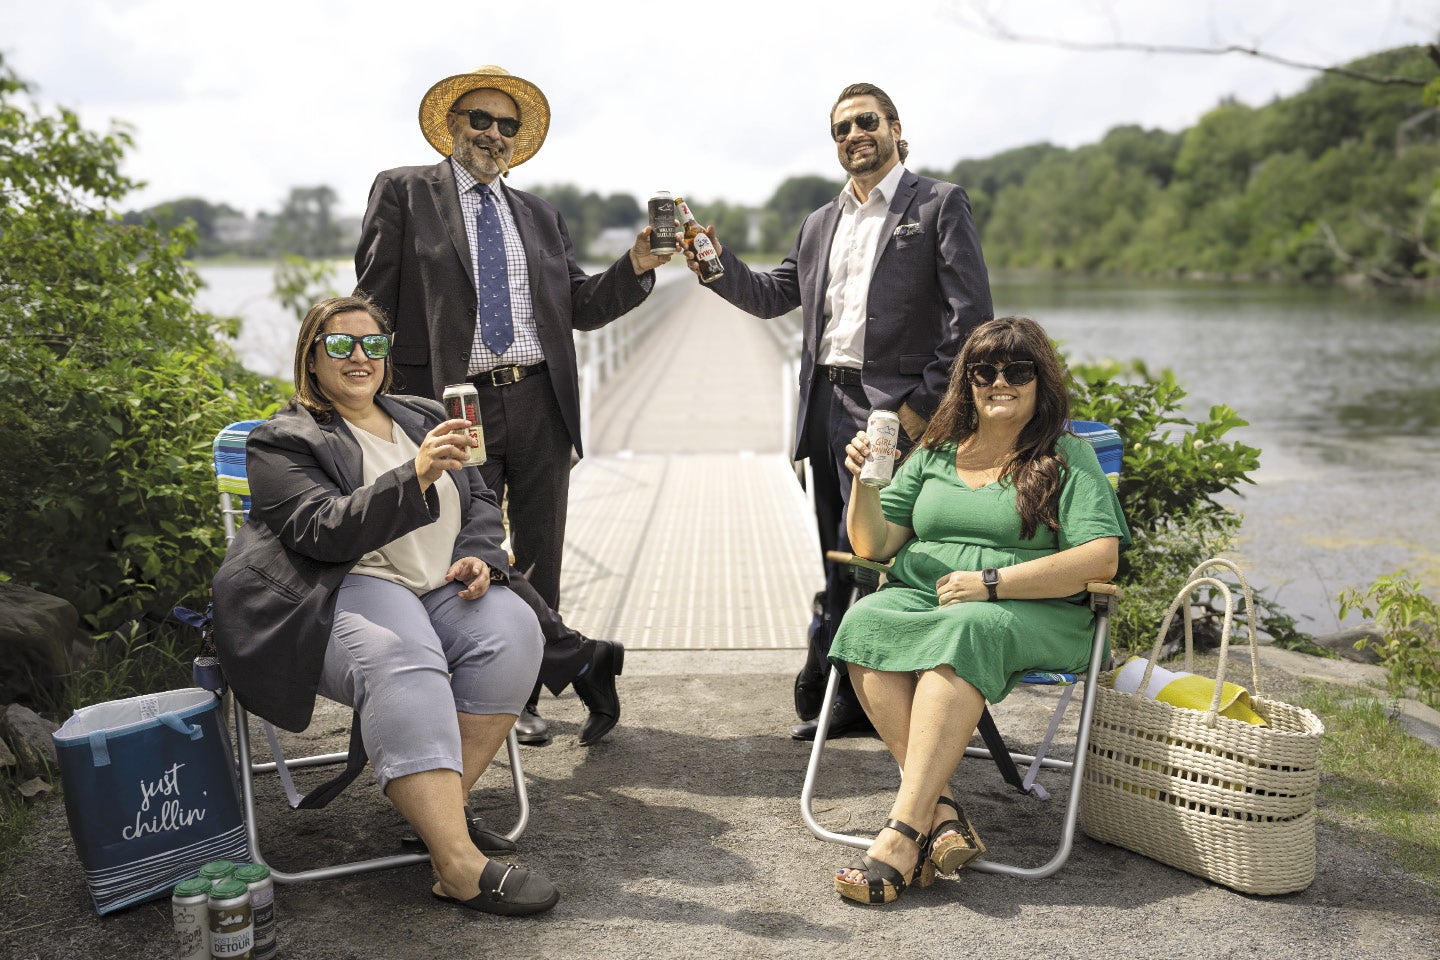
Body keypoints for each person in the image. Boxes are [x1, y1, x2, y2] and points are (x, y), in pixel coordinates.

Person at [213, 295, 571, 916]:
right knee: (399, 655)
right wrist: (418, 472)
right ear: (312, 357)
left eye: (373, 344)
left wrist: (481, 553)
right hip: (343, 588)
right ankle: (457, 865)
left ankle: (440, 819)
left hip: (441, 583)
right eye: (341, 345)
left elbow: (482, 496)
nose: (360, 357)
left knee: (515, 630)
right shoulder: (282, 441)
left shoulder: (423, 414)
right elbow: (324, 530)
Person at [355, 65, 669, 744]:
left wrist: (637, 266)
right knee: (469, 546)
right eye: (481, 119)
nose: (494, 133)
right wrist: (368, 400)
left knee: (540, 552)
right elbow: (373, 304)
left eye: (507, 124)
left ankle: (523, 691)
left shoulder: (539, 214)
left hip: (538, 398)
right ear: (452, 124)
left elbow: (579, 307)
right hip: (451, 405)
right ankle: (577, 657)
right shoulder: (405, 193)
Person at [685, 82, 993, 740]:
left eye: (866, 122)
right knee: (839, 550)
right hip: (825, 403)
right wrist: (713, 265)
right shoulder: (820, 222)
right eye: (841, 128)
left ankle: (911, 696)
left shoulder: (938, 204)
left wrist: (919, 412)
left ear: (893, 127)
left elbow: (972, 322)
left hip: (893, 408)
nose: (854, 134)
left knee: (894, 552)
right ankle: (848, 695)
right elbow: (773, 295)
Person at [827, 316, 1129, 905]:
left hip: (1029, 608)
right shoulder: (937, 451)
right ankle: (939, 813)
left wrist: (992, 583)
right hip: (930, 600)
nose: (999, 381)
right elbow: (874, 545)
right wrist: (864, 481)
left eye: (1017, 370)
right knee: (863, 621)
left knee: (963, 630)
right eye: (983, 370)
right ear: (966, 381)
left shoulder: (1065, 455)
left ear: (1041, 381)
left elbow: (1102, 556)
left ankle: (901, 834)